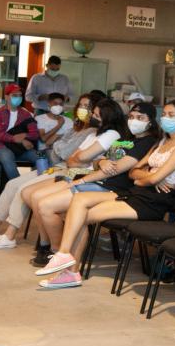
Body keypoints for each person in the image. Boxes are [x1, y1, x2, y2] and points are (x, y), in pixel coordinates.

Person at [35, 100, 175, 288]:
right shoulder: (162, 141)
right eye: (164, 114)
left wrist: (147, 177)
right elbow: (134, 172)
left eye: (171, 115)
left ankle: (70, 271)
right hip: (137, 193)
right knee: (79, 200)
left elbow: (151, 179)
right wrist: (148, 177)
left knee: (81, 216)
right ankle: (64, 255)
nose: (165, 118)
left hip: (153, 202)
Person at [0, 95, 96, 249]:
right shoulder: (73, 127)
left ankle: (9, 235)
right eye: (81, 105)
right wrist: (59, 145)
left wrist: (59, 145)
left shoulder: (88, 130)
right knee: (12, 183)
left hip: (64, 169)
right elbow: (53, 148)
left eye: (87, 106)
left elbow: (62, 151)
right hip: (54, 163)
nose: (82, 109)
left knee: (23, 188)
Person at [24, 99, 130, 262]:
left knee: (42, 202)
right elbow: (72, 159)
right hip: (75, 173)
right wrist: (83, 159)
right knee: (31, 195)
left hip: (89, 179)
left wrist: (83, 159)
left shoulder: (112, 134)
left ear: (107, 118)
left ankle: (56, 250)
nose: (92, 117)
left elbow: (83, 157)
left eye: (96, 115)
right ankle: (48, 245)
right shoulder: (94, 133)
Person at [0, 83, 40, 180]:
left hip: (21, 148)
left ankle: (36, 184)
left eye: (20, 95)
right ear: (6, 97)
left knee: (41, 157)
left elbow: (35, 134)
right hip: (1, 146)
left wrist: (25, 136)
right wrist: (16, 139)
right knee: (7, 156)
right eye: (14, 95)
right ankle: (17, 186)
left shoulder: (26, 114)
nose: (18, 98)